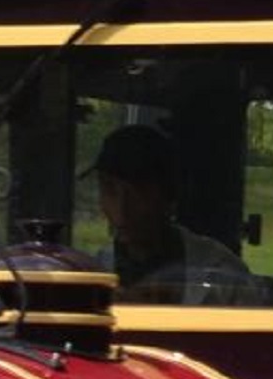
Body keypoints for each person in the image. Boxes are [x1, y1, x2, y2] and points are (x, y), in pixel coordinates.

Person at [90, 120, 253, 303]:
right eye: (110, 189)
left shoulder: (224, 276)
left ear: (170, 193)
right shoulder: (92, 273)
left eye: (139, 192)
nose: (121, 211)